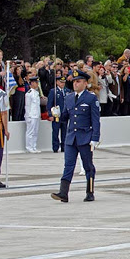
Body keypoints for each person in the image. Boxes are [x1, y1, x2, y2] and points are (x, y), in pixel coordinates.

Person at [50, 70, 101, 202]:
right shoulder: (69, 97)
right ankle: (63, 192)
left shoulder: (91, 98)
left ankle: (90, 191)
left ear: (85, 83)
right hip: (71, 137)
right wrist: (58, 114)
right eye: (74, 82)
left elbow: (95, 120)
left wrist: (95, 138)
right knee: (68, 165)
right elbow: (66, 117)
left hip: (85, 137)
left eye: (78, 81)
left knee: (88, 166)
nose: (75, 84)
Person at [47, 76, 68, 152]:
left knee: (64, 132)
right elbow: (49, 104)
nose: (62, 84)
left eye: (63, 82)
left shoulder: (67, 91)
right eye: (61, 82)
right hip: (56, 115)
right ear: (57, 82)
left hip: (64, 115)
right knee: (55, 131)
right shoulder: (53, 91)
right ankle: (55, 147)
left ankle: (64, 147)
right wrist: (50, 114)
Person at [24, 77, 42, 153]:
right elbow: (27, 106)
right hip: (31, 115)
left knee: (35, 131)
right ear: (31, 84)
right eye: (35, 83)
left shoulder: (37, 93)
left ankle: (34, 146)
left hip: (36, 114)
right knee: (30, 132)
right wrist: (27, 116)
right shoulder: (29, 94)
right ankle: (29, 147)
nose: (37, 84)